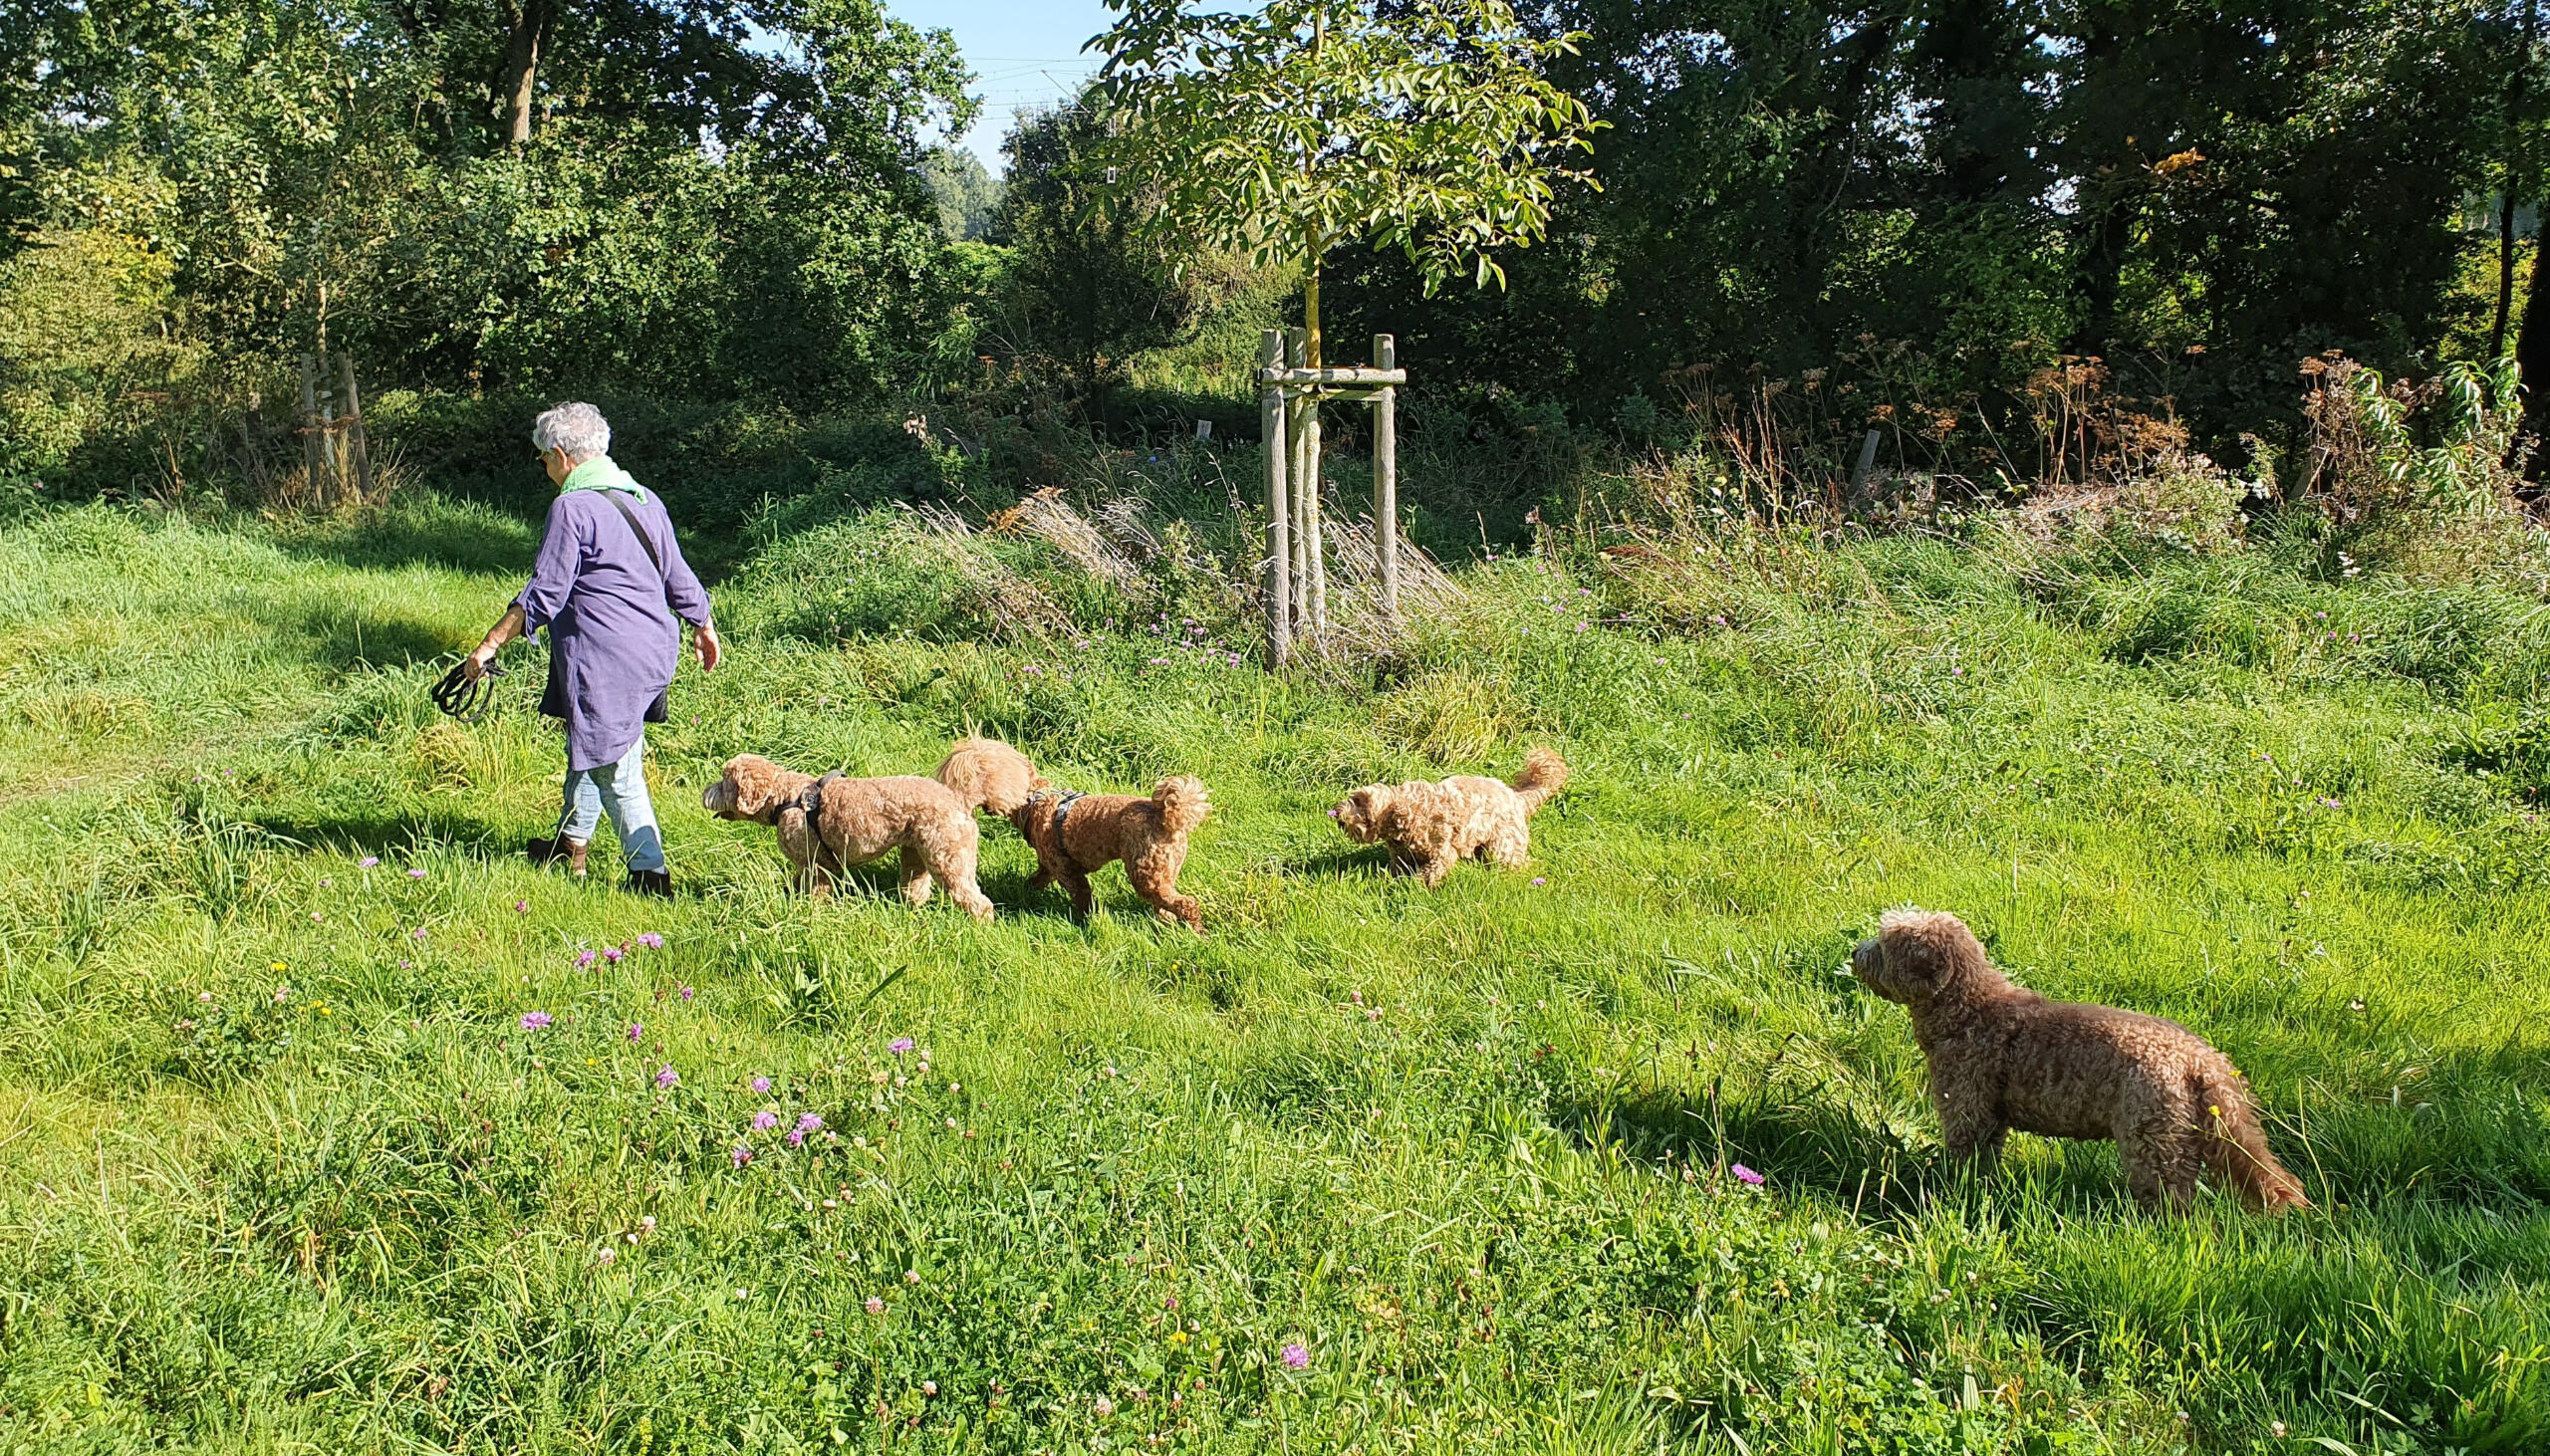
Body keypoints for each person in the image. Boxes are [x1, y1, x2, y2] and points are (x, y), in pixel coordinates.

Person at [461, 402, 719, 896]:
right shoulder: (644, 498)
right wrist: (703, 624)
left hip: (606, 659)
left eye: (542, 458)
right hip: (653, 651)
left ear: (560, 455)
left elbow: (545, 592)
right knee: (595, 743)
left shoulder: (571, 507)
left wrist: (491, 644)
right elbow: (678, 574)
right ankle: (569, 843)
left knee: (612, 762)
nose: (543, 467)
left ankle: (650, 875)